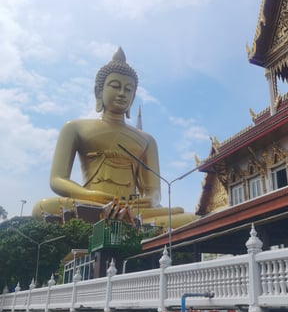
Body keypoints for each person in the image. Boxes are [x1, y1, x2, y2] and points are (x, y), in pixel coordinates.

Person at [32, 47, 195, 228]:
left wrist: (148, 200)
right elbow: (57, 180)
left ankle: (130, 220)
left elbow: (153, 191)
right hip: (93, 205)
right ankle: (126, 221)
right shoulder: (75, 128)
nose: (122, 94)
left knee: (189, 217)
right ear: (99, 92)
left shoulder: (147, 140)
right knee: (43, 207)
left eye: (128, 89)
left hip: (135, 210)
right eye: (115, 86)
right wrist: (91, 195)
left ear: (133, 98)